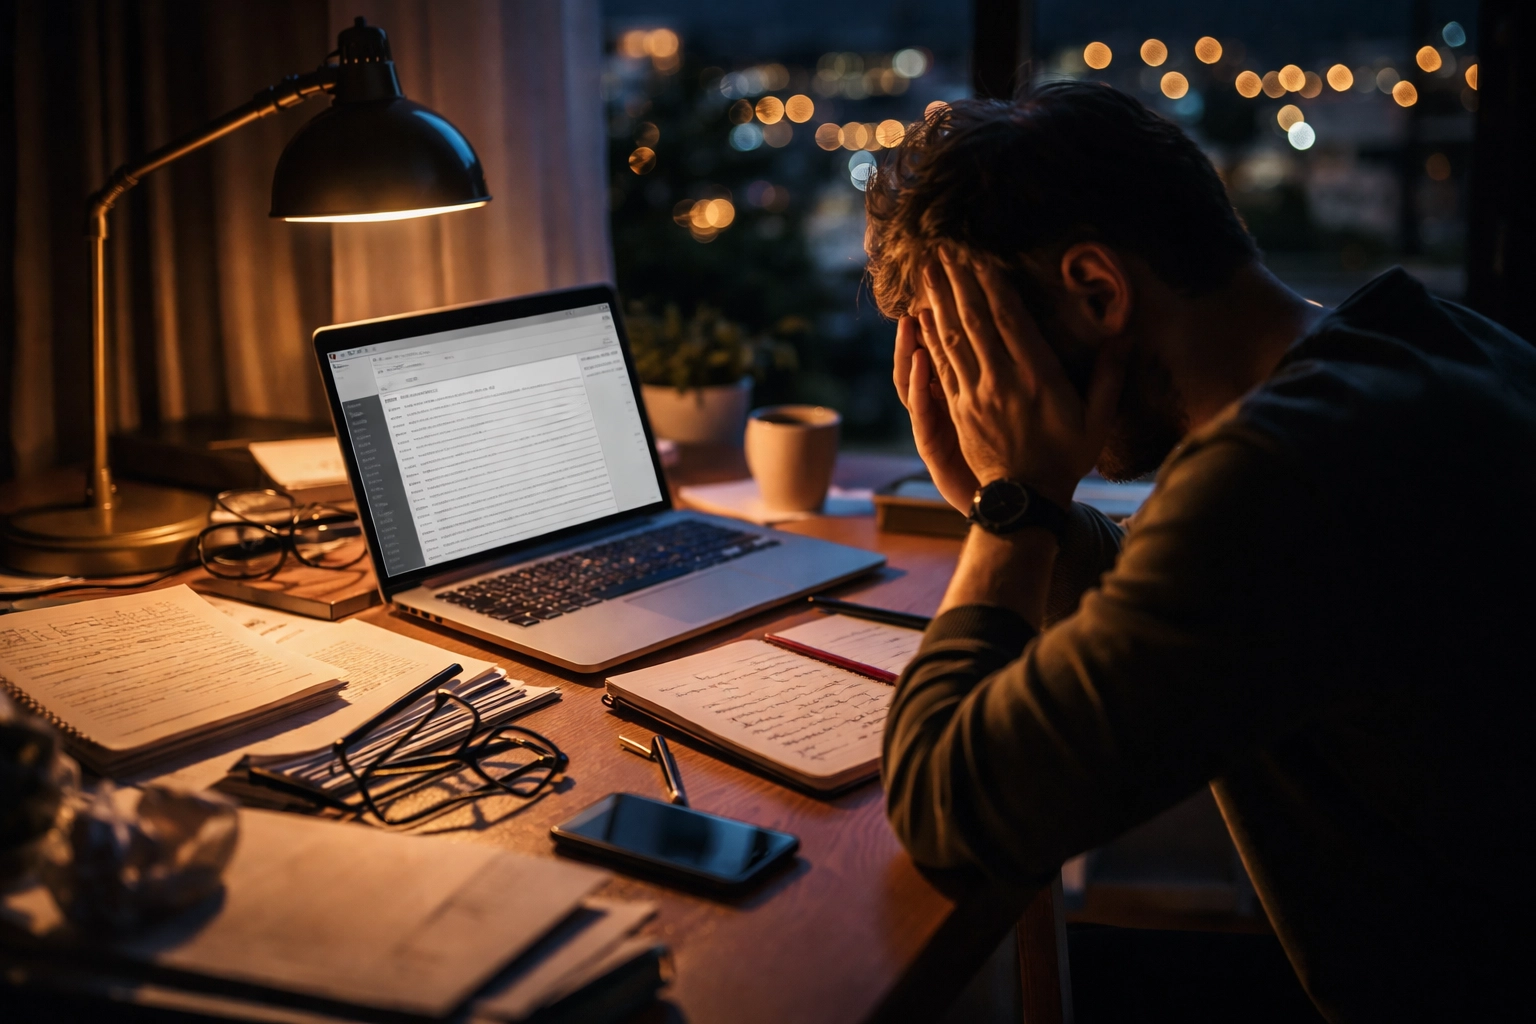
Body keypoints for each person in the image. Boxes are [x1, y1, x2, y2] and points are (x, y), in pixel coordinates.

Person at [867, 82, 1534, 1023]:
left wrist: (1014, 509)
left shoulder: (1286, 476)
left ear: (1095, 290)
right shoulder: (1415, 347)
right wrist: (1017, 506)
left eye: (976, 351)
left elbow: (953, 812)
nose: (973, 391)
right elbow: (1191, 583)